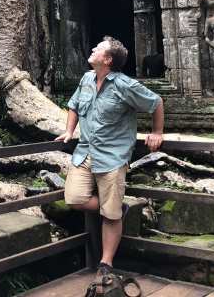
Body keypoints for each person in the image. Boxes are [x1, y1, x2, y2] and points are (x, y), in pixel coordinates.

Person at [55, 36, 164, 277]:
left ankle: (106, 263)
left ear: (108, 60)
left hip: (112, 156)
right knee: (74, 198)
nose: (93, 49)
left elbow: (156, 102)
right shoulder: (86, 79)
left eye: (99, 48)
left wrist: (157, 132)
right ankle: (116, 208)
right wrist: (69, 131)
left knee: (110, 215)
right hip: (85, 152)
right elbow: (74, 105)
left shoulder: (125, 85)